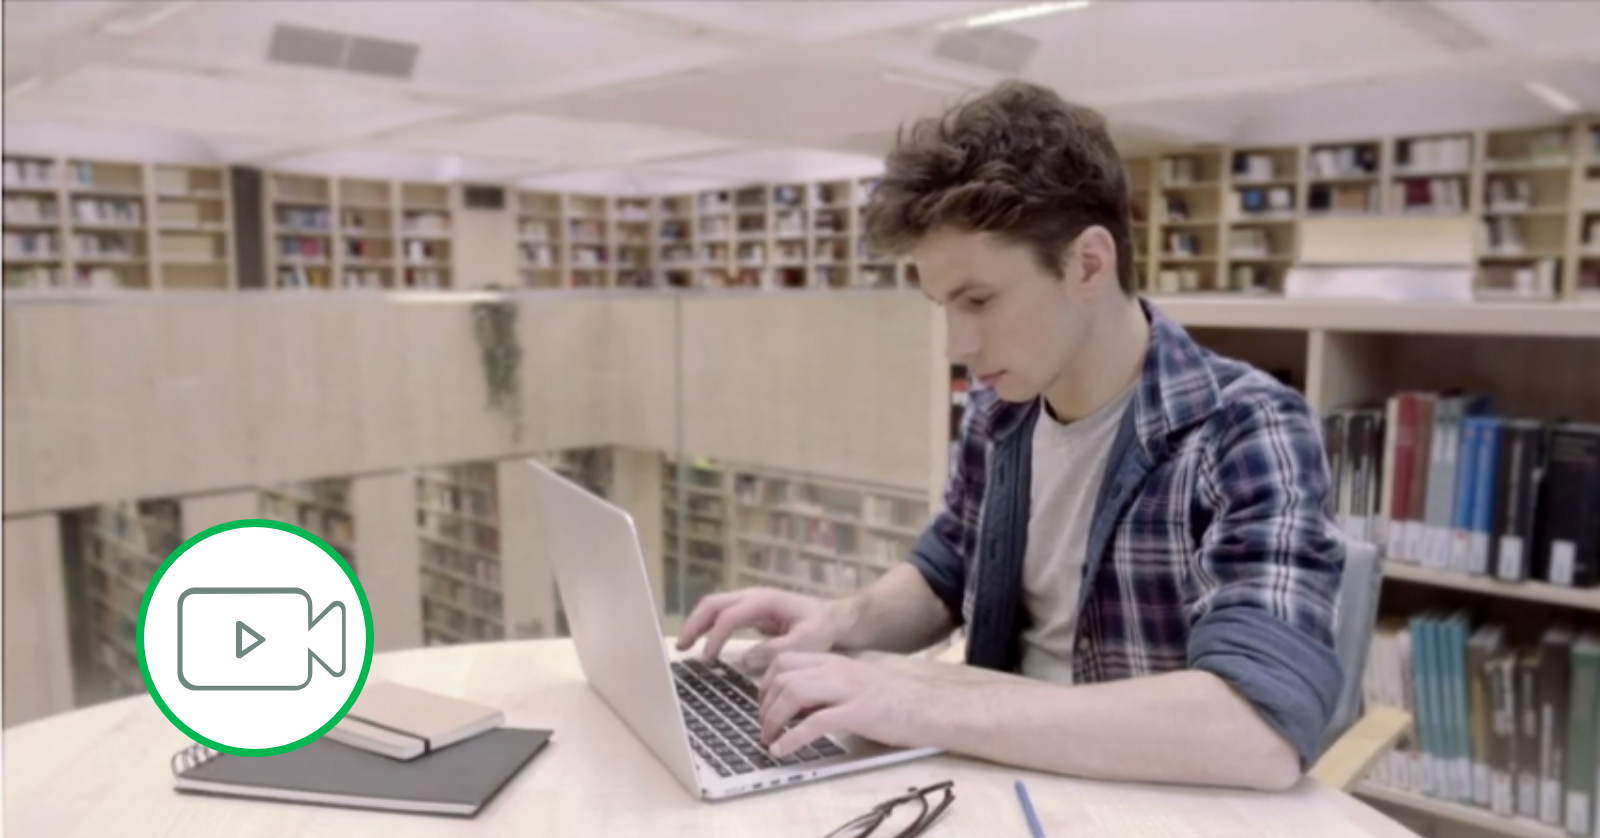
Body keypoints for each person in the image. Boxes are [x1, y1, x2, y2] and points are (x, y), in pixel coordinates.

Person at [675, 80, 1344, 793]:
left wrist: (925, 705)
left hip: (1143, 806)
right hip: (995, 784)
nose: (956, 344)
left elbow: (1258, 731)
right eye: (943, 306)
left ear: (1089, 262)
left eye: (980, 300)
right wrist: (842, 621)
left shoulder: (1247, 429)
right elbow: (944, 574)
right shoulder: (1003, 411)